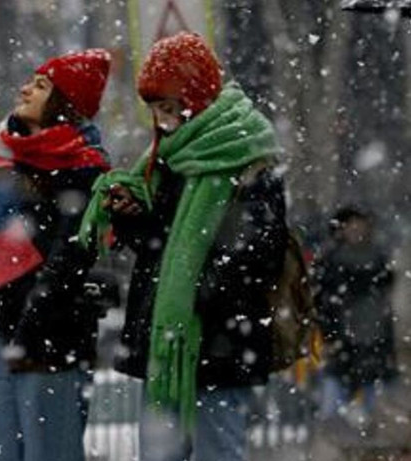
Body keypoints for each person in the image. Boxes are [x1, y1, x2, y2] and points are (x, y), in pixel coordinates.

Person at [79, 32, 287, 461]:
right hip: (167, 344)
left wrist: (196, 291)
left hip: (216, 343)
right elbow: (160, 245)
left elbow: (257, 255)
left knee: (217, 450)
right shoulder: (169, 156)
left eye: (170, 108)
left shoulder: (245, 157)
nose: (162, 120)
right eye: (155, 109)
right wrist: (132, 214)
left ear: (197, 99)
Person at [0, 49, 112, 461]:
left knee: (50, 452)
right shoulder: (1, 159)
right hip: (2, 333)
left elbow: (72, 254)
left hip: (53, 338)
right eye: (30, 81)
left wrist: (33, 319)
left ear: (65, 103)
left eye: (41, 86)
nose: (25, 90)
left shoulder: (84, 167)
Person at [315, 206, 396, 427]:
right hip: (346, 339)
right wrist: (329, 336)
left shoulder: (375, 257)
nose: (357, 230)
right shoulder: (332, 259)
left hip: (370, 339)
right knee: (335, 409)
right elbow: (324, 303)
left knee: (373, 410)